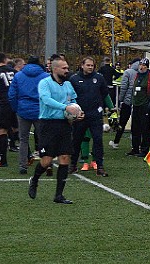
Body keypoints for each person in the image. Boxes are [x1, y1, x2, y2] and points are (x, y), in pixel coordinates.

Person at [28, 57, 83, 204]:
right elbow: (46, 100)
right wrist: (65, 107)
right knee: (46, 161)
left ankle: (59, 195)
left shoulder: (68, 85)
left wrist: (78, 111)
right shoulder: (44, 83)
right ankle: (34, 179)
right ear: (55, 69)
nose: (67, 70)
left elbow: (73, 101)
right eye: (64, 68)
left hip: (65, 124)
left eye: (67, 67)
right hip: (47, 124)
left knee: (65, 158)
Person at [69, 57, 113, 176]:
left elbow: (105, 94)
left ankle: (100, 167)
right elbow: (69, 96)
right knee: (76, 141)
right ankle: (73, 165)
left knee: (98, 140)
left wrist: (110, 107)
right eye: (88, 65)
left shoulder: (99, 78)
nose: (90, 67)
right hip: (80, 116)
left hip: (95, 115)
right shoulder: (74, 79)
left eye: (92, 65)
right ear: (82, 65)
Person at [8, 55, 49, 174]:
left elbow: (11, 95)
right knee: (43, 139)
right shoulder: (45, 76)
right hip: (40, 110)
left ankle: (23, 165)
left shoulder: (19, 75)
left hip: (23, 109)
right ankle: (46, 164)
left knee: (23, 139)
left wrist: (17, 108)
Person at [128, 58, 150, 157]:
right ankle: (135, 148)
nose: (141, 67)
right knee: (135, 128)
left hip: (145, 106)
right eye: (140, 65)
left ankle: (144, 149)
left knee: (145, 129)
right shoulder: (137, 75)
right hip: (136, 105)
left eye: (144, 65)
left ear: (147, 66)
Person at [110, 59, 140, 149]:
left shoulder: (127, 72)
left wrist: (120, 100)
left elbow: (123, 87)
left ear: (131, 64)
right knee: (136, 124)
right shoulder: (142, 72)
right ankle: (135, 144)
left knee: (122, 122)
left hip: (127, 102)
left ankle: (116, 142)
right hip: (138, 102)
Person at [0, 52, 17, 168]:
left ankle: (1, 159)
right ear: (4, 60)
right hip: (18, 103)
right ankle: (28, 156)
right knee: (20, 130)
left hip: (4, 104)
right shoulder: (15, 72)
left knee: (1, 131)